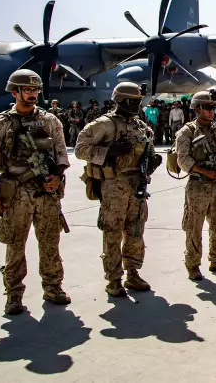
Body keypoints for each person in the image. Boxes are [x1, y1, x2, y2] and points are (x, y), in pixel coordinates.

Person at [0, 70, 71, 314]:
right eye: (27, 90)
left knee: (50, 242)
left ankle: (53, 287)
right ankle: (13, 294)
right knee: (15, 244)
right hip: (16, 192)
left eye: (35, 90)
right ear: (15, 92)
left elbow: (61, 154)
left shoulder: (50, 121)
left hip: (47, 192)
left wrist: (57, 177)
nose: (32, 94)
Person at [75, 82, 161, 296]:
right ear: (119, 101)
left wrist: (152, 161)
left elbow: (148, 149)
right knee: (112, 232)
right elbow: (80, 149)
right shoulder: (104, 124)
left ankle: (133, 272)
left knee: (135, 231)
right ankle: (113, 279)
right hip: (114, 185)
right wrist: (109, 151)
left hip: (137, 184)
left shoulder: (141, 126)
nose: (136, 105)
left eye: (138, 101)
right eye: (132, 101)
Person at [173, 90, 216, 280]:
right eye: (207, 107)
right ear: (197, 109)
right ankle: (193, 264)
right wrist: (206, 172)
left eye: (213, 107)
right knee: (194, 227)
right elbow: (183, 160)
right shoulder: (186, 132)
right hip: (198, 186)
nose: (211, 111)